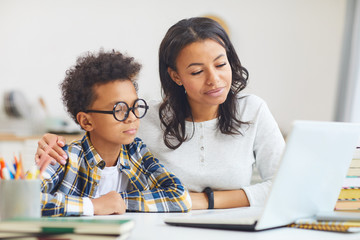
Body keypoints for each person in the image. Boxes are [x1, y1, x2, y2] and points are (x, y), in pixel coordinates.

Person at [36, 17, 285, 210]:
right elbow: (100, 132)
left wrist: (203, 201)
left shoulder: (253, 110)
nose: (214, 79)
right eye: (197, 72)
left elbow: (286, 187)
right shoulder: (144, 118)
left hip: (233, 225)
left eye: (221, 64)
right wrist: (54, 144)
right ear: (175, 76)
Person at [39, 49, 191, 217]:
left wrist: (119, 201)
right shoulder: (64, 158)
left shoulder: (136, 153)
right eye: (119, 109)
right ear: (86, 121)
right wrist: (93, 206)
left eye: (135, 106)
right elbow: (20, 201)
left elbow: (180, 197)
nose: (132, 117)